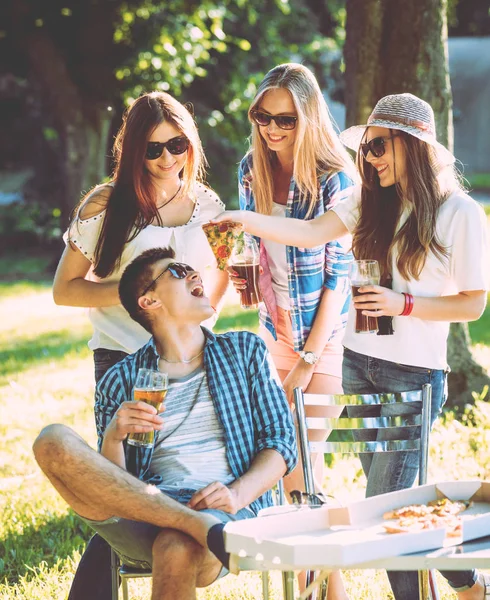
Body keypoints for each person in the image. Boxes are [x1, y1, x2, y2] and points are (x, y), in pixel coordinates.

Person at [213, 92, 490, 600]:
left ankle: (453, 584)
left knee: (385, 505)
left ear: (414, 146)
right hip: (359, 366)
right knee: (399, 500)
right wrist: (243, 219)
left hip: (414, 375)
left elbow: (473, 304)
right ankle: (469, 581)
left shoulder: (459, 213)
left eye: (379, 147)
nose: (370, 159)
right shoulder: (369, 202)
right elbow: (309, 232)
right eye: (366, 150)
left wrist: (401, 305)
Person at [34, 246, 297, 600]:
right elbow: (115, 490)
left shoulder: (244, 351)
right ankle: (193, 524)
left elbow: (281, 442)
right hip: (147, 513)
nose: (194, 274)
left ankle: (195, 526)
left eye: (192, 269)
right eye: (176, 271)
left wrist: (236, 494)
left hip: (229, 513)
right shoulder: (121, 379)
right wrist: (113, 437)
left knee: (175, 545)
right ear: (149, 302)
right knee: (52, 440)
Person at [52, 91, 229, 599]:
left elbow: (218, 279)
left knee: (164, 481)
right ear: (132, 152)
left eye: (176, 144)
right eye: (153, 150)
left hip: (185, 361)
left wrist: (196, 317)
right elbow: (65, 289)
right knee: (126, 481)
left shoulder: (207, 206)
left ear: (190, 142)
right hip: (124, 359)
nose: (167, 158)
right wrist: (140, 294)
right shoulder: (106, 204)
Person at [231, 63, 355, 498]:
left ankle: (316, 565)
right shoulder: (252, 169)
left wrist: (308, 358)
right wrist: (249, 279)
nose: (272, 129)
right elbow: (254, 247)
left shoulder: (333, 179)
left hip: (325, 339)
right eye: (263, 117)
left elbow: (338, 280)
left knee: (297, 463)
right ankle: (328, 568)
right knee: (298, 472)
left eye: (286, 119)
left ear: (309, 118)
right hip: (275, 332)